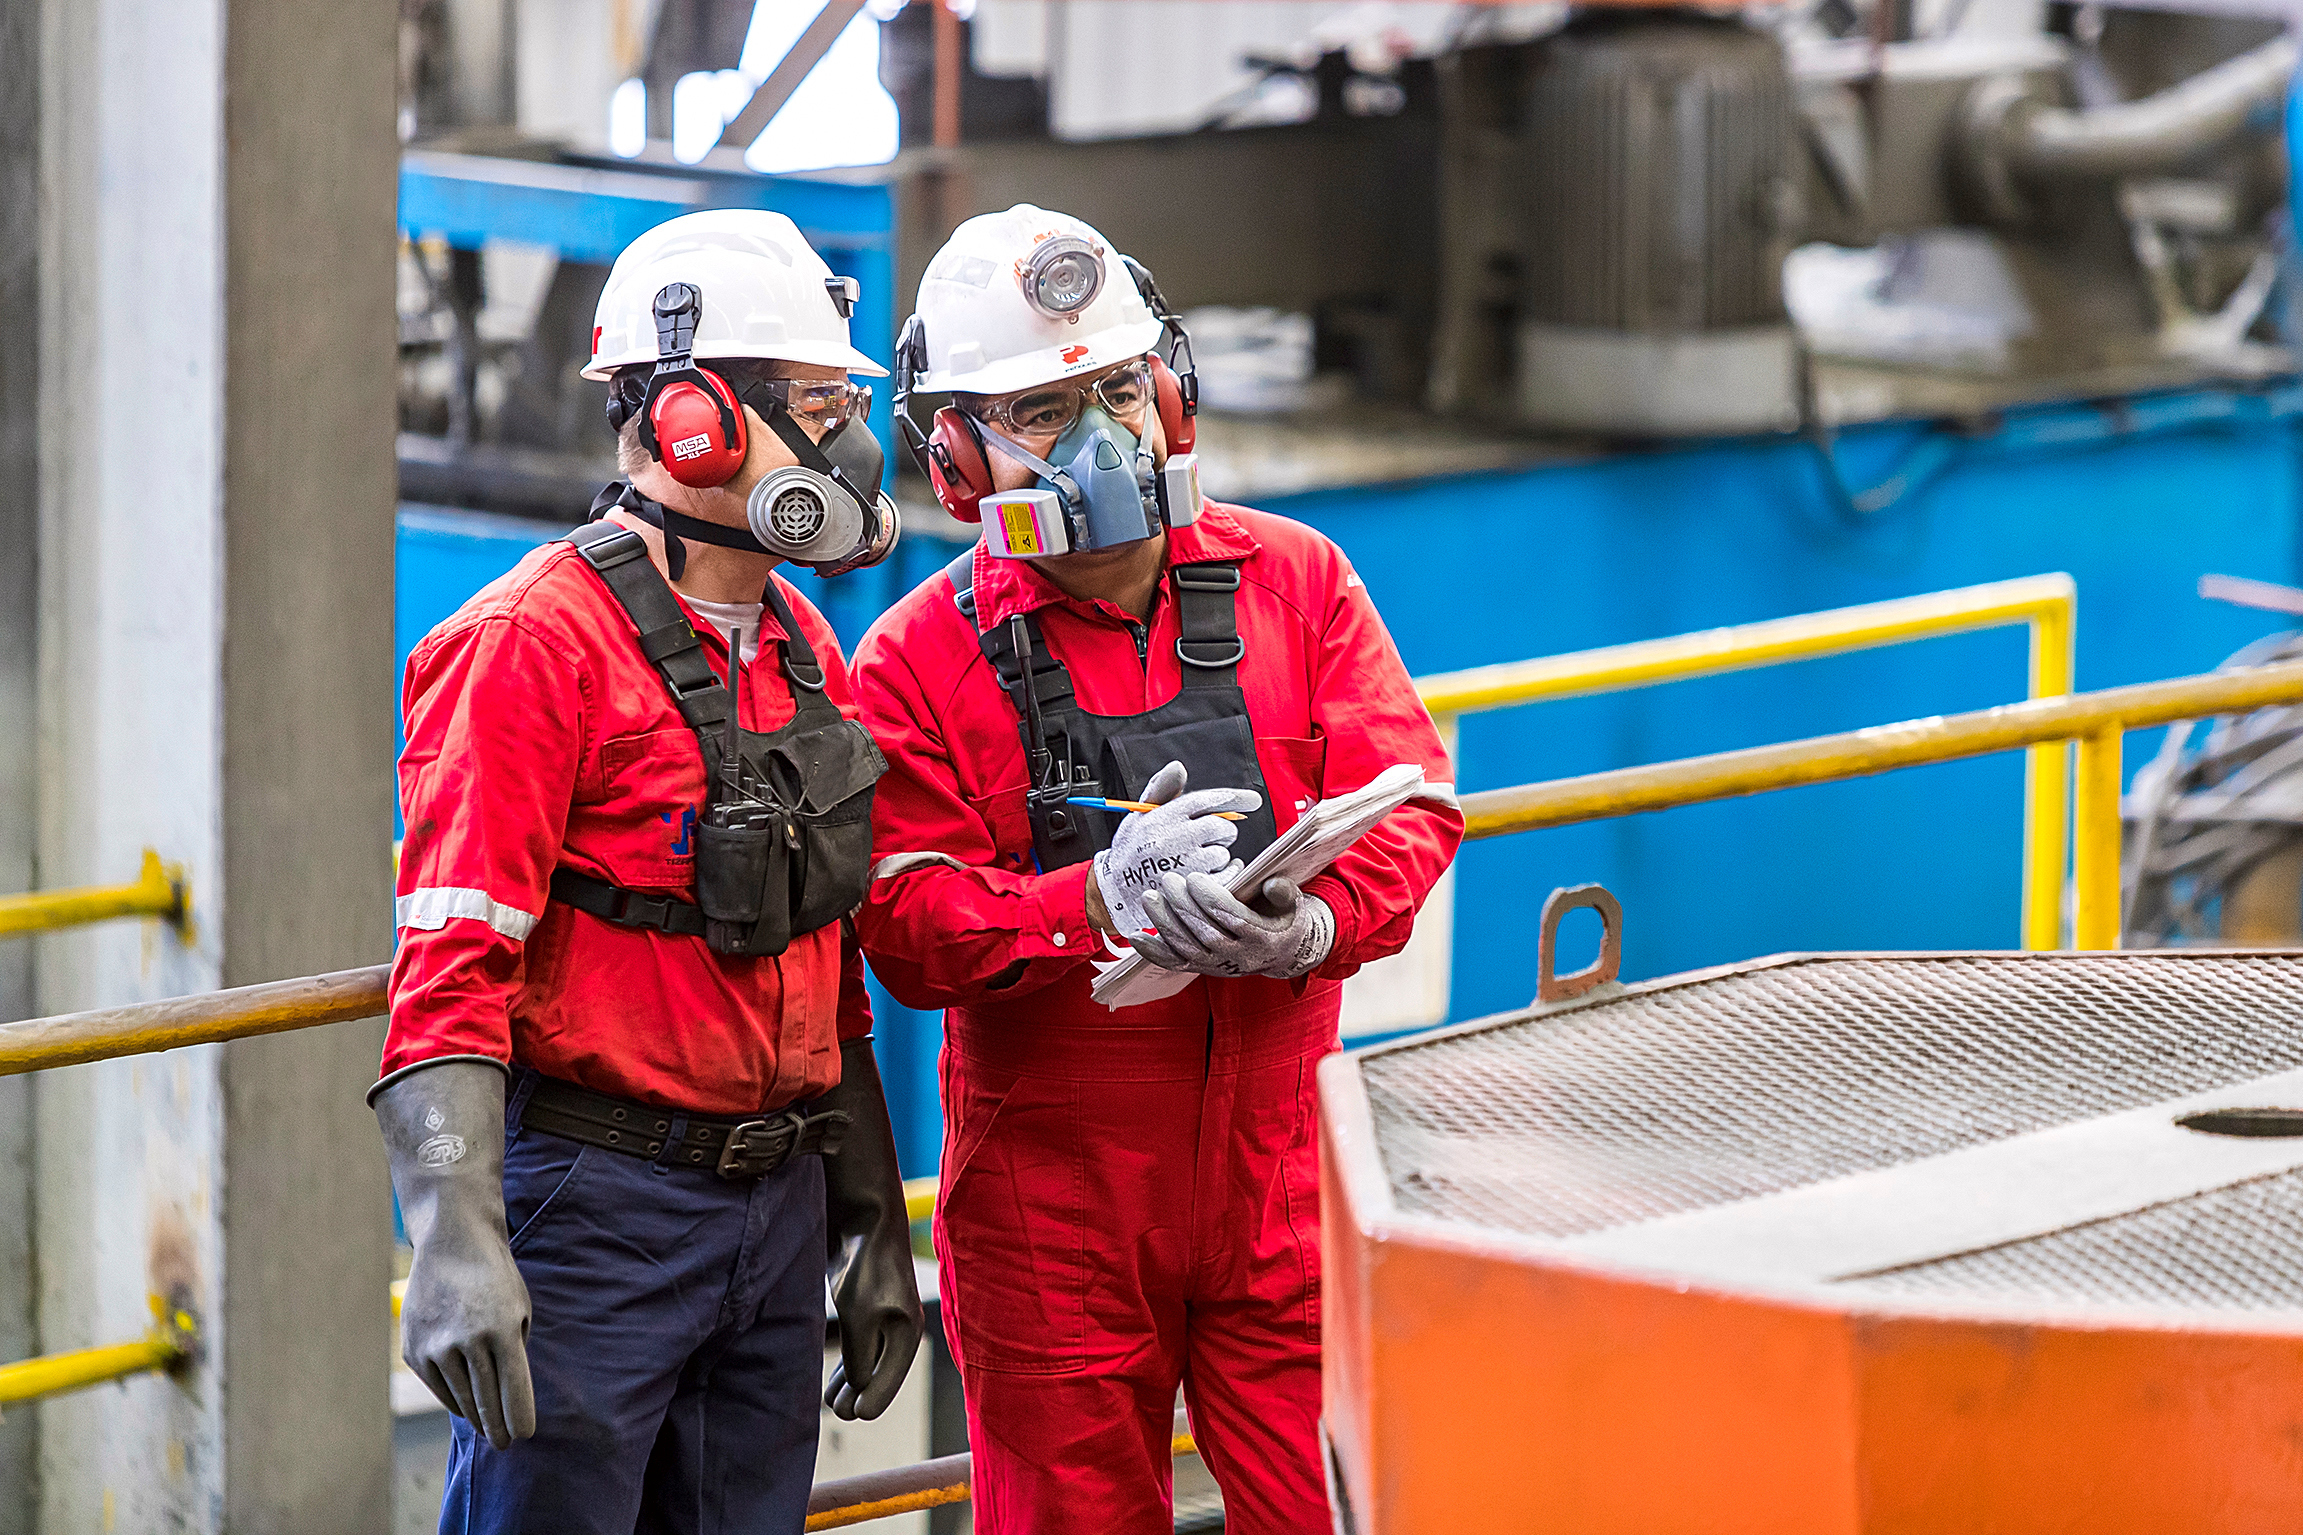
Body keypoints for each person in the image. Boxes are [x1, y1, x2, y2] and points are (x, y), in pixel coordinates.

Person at [851, 204, 1462, 1533]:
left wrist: (1314, 926)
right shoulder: (913, 659)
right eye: (1038, 410)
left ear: (1169, 390)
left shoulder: (1295, 581)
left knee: (1340, 1510)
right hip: (1053, 1211)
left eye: (1118, 386)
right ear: (954, 453)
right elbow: (903, 922)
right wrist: (1091, 903)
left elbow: (1414, 809)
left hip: (1285, 1174)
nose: (1099, 436)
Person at [373, 208, 921, 1535]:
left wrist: (863, 1214)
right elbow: (450, 959)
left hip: (774, 1209)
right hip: (598, 1215)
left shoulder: (801, 644)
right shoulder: (528, 645)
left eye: (843, 402)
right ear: (693, 422)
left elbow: (820, 960)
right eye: (811, 403)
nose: (851, 441)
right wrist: (452, 1239)